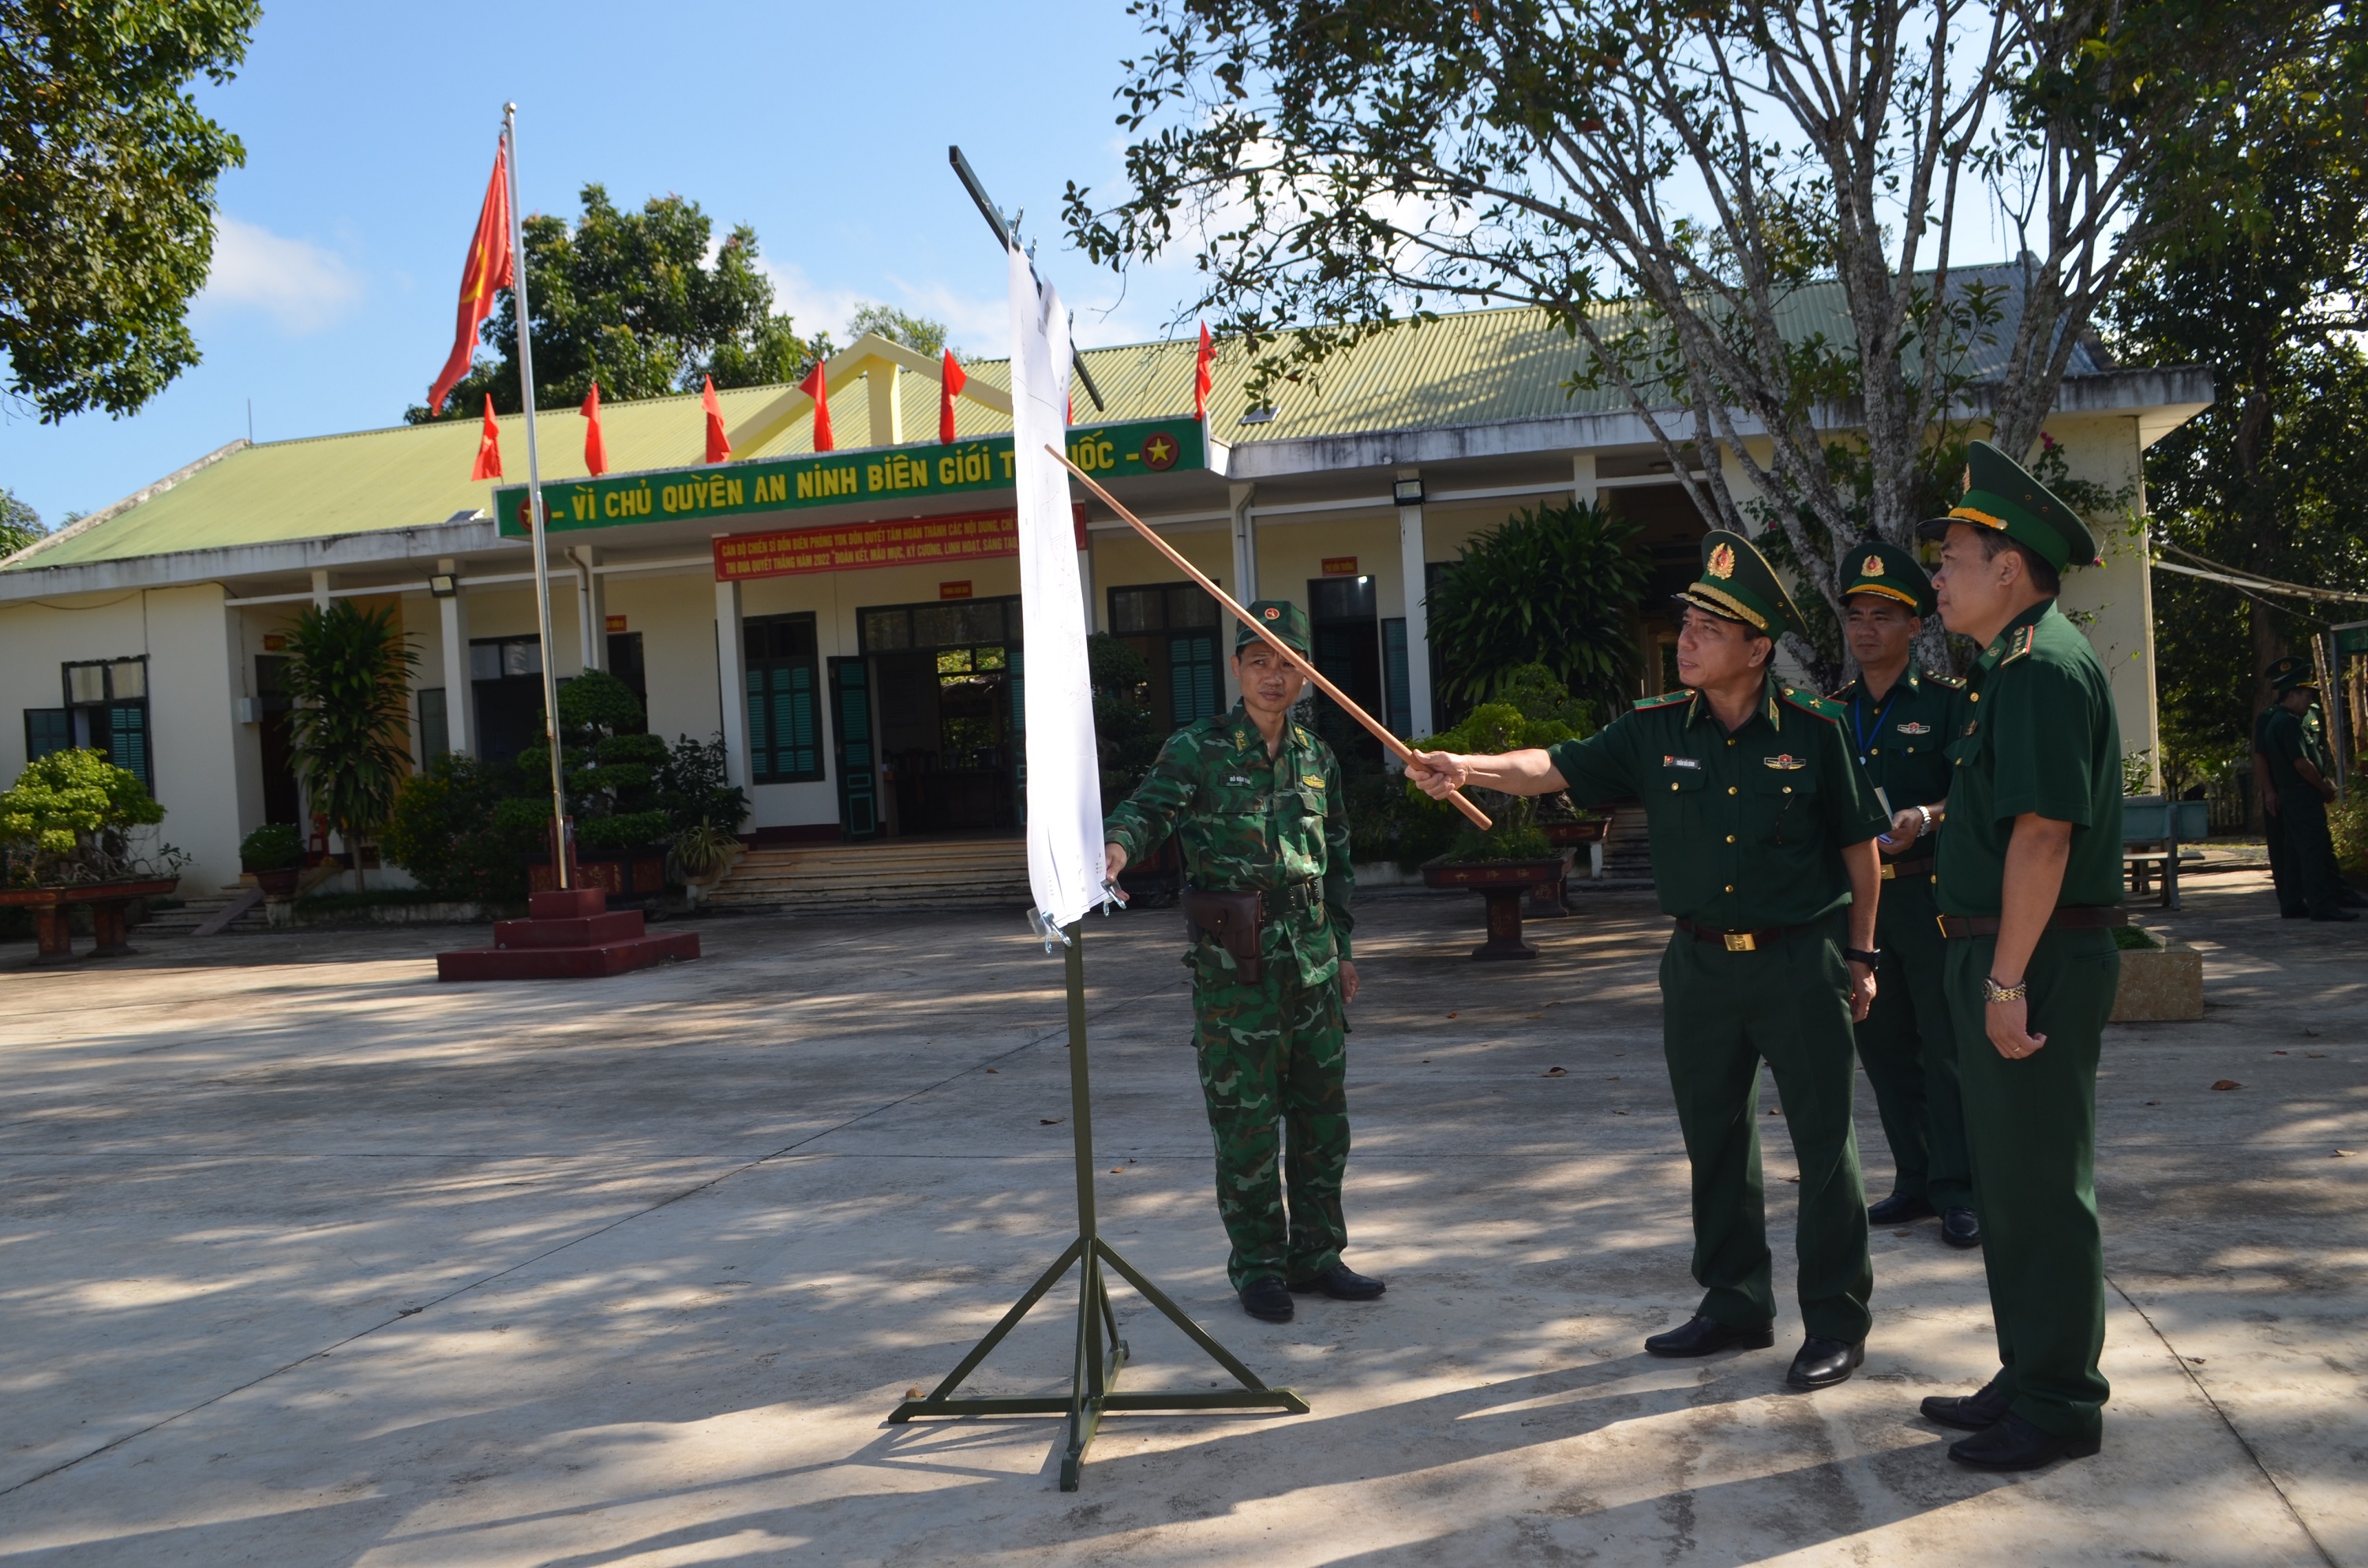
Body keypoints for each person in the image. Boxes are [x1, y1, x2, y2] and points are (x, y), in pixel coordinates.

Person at [1407, 531, 1889, 1390]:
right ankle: (1736, 1302)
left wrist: (1861, 956)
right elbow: (1552, 767)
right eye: (1690, 620)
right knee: (1716, 1138)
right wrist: (1467, 767)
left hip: (1801, 961)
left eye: (1712, 625)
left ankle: (1836, 1322)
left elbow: (1861, 854)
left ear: (1758, 647)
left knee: (1825, 1145)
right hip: (1700, 966)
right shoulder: (1653, 729)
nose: (1691, 636)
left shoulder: (1817, 734)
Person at [1913, 440, 2125, 1470]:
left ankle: (2060, 1399)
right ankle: (2030, 1364)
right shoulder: (2013, 666)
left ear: (2010, 568)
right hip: (2002, 950)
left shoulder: (2042, 669)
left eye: (1951, 557)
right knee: (2010, 1180)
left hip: (2029, 958)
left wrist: (2005, 982)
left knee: (2041, 1182)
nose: (1936, 576)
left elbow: (2045, 836)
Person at [1101, 600, 1381, 1324]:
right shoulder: (1197, 748)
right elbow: (1150, 807)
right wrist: (1117, 847)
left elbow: (1338, 860)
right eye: (1259, 660)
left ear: (1306, 675)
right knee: (1247, 1125)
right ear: (1236, 669)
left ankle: (1317, 1255)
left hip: (1313, 966)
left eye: (1287, 662)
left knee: (1323, 1122)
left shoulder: (1317, 756)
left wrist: (1343, 949)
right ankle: (1258, 1266)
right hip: (1238, 969)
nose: (1273, 675)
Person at [1830, 542, 1980, 1248]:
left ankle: (1960, 1186)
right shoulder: (1830, 715)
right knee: (1883, 1044)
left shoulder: (1949, 705)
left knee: (1944, 1044)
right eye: (1855, 615)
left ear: (1915, 625)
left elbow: (1974, 794)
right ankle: (1914, 1178)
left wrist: (1927, 817)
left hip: (1928, 901)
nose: (1865, 629)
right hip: (1862, 907)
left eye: (1882, 616)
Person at [2260, 661, 2360, 922]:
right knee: (2313, 850)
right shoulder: (2288, 723)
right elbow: (2302, 764)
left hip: (2292, 793)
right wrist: (2325, 788)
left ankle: (2293, 903)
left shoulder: (2281, 720)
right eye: (2305, 694)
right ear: (2291, 695)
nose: (2309, 700)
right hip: (2302, 792)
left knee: (2294, 850)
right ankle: (2322, 905)